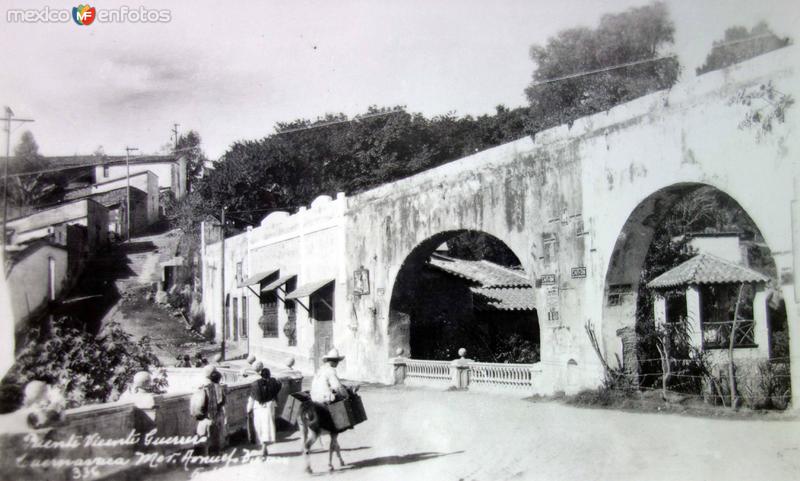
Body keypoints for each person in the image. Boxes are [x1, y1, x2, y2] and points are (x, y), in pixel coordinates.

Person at [246, 368, 283, 457]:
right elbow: (279, 385)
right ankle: (264, 447)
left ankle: (262, 446)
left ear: (261, 375)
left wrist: (248, 409)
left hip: (258, 408)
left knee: (259, 427)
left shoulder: (255, 384)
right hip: (269, 407)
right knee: (267, 428)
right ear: (269, 375)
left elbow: (251, 398)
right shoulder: (273, 383)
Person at [191, 365, 227, 455]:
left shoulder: (202, 387)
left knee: (204, 436)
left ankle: (205, 455)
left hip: (206, 416)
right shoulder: (220, 387)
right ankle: (217, 453)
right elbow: (223, 402)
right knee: (216, 435)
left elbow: (198, 404)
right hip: (217, 414)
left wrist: (199, 415)